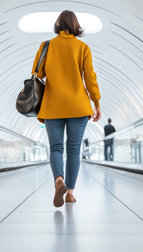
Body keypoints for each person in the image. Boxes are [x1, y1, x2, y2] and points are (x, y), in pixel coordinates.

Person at [32, 10, 101, 207]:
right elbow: (90, 78)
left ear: (58, 25)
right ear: (76, 26)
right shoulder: (83, 48)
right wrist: (96, 102)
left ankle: (58, 181)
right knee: (73, 149)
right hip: (78, 107)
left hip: (53, 105)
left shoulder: (47, 45)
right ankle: (69, 193)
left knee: (55, 148)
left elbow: (37, 72)